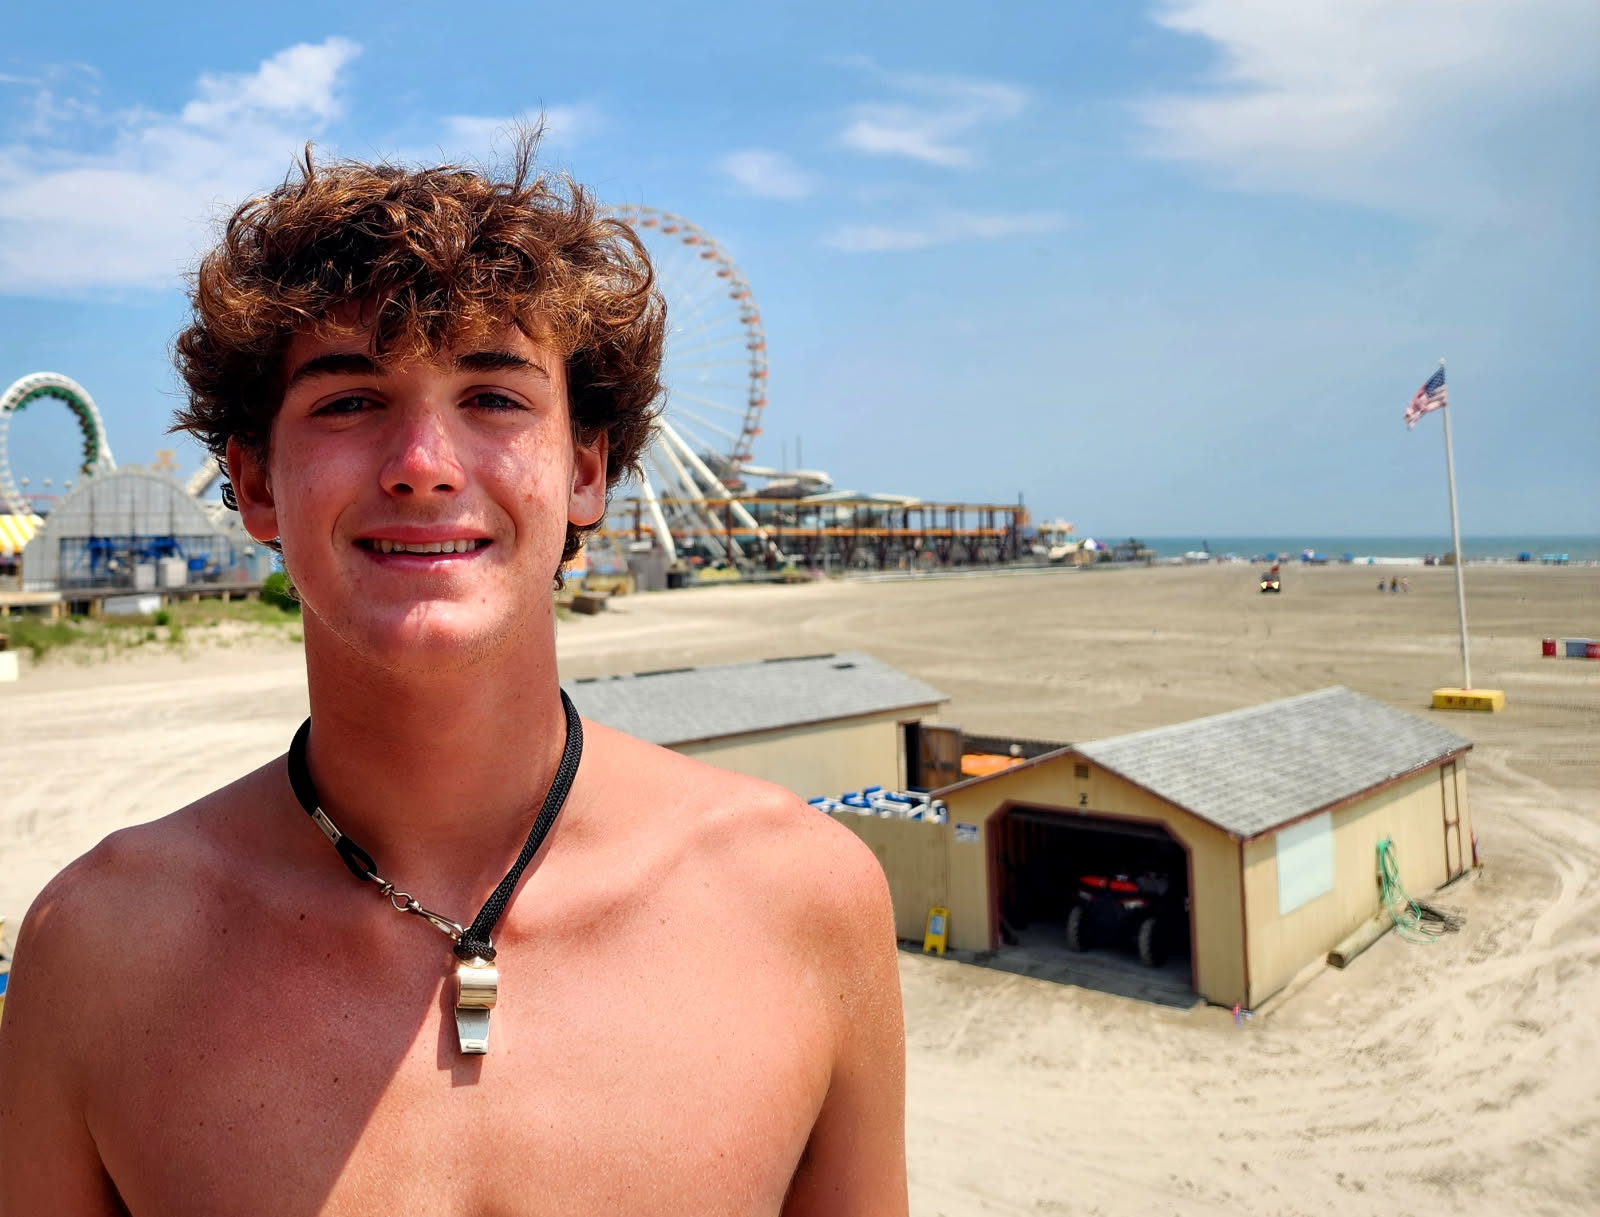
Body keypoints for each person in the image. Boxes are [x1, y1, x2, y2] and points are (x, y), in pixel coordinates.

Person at [0, 141, 907, 1215]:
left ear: (585, 470)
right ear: (252, 483)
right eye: (347, 401)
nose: (422, 460)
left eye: (493, 396)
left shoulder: (803, 900)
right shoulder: (98, 952)